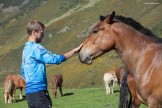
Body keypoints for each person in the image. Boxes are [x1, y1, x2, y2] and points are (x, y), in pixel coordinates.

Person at [21, 20, 82, 108]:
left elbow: (23, 71)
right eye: (42, 32)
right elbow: (55, 59)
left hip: (30, 95)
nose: (43, 35)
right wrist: (73, 51)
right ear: (34, 32)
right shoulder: (36, 48)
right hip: (39, 93)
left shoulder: (25, 50)